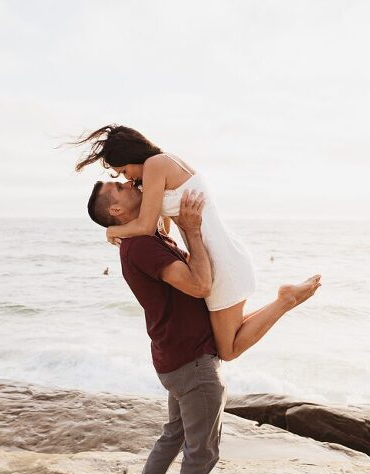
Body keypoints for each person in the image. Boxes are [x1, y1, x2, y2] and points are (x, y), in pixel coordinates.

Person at [77, 124, 321, 361]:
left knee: (228, 349)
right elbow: (163, 227)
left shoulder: (155, 165)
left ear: (129, 156)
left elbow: (147, 226)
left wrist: (113, 230)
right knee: (229, 338)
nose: (127, 178)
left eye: (123, 172)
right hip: (218, 255)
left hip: (221, 260)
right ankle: (284, 299)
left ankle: (285, 300)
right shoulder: (163, 164)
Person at [86, 185, 236, 474]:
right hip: (192, 362)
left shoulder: (144, 236)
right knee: (201, 453)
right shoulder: (143, 246)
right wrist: (195, 232)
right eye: (121, 186)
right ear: (117, 209)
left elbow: (160, 193)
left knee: (175, 436)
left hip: (175, 356)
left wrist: (122, 228)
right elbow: (200, 284)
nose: (133, 184)